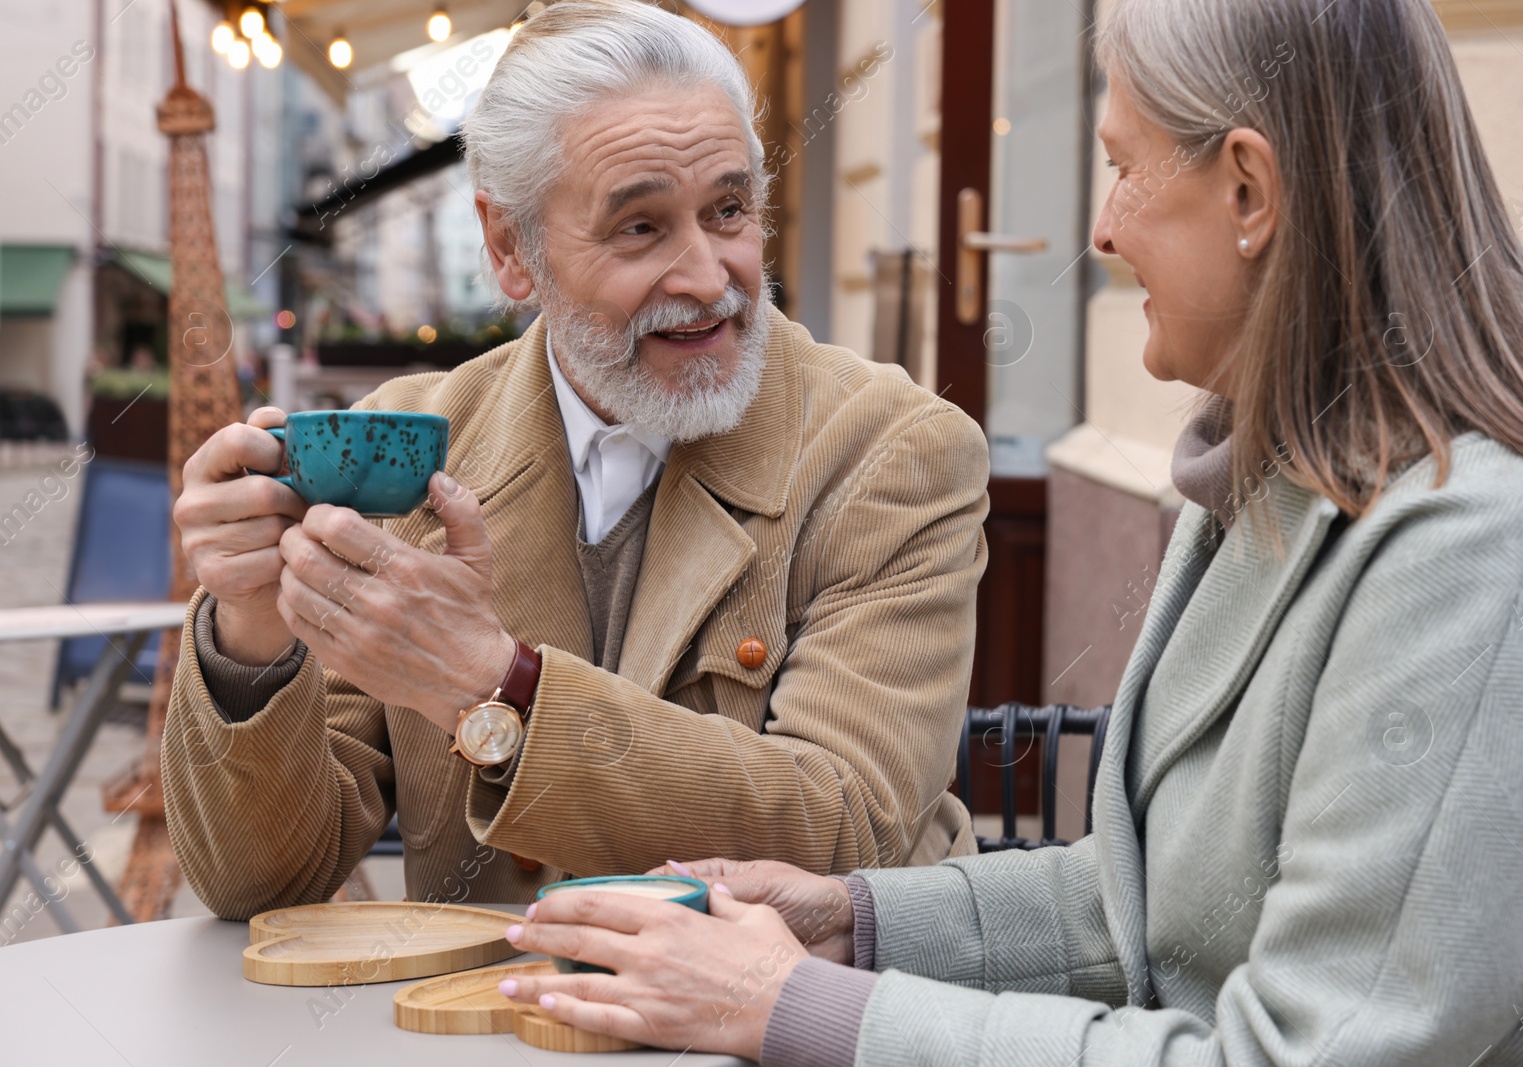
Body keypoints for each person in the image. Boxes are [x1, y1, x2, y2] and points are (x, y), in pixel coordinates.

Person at [494, 0, 1523, 1063]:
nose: (1101, 229)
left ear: (1250, 189)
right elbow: (1141, 900)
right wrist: (854, 919)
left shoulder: (1484, 546)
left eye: (1122, 166)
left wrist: (795, 1006)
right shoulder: (1285, 481)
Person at [161, 0, 989, 919]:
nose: (710, 277)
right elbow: (259, 882)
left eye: (728, 209)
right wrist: (248, 630)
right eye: (641, 228)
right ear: (510, 250)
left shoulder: (892, 449)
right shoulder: (403, 448)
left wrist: (494, 685)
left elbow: (844, 832)